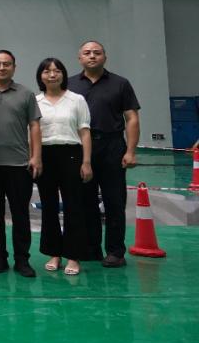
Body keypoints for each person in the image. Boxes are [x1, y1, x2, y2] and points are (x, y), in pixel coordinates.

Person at [67, 40, 140, 267]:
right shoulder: (69, 84)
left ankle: (116, 252)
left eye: (97, 53)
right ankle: (91, 249)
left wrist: (131, 151)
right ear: (80, 58)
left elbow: (132, 118)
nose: (92, 56)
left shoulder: (120, 84)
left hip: (112, 147)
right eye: (87, 53)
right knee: (85, 201)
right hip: (80, 149)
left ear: (104, 57)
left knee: (114, 201)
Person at [0, 50, 42, 278]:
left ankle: (22, 259)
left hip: (19, 164)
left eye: (6, 64)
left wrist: (36, 156)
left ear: (14, 67)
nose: (1, 68)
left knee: (20, 213)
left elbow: (34, 126)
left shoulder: (26, 94)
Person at [35, 57, 93, 276]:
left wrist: (86, 162)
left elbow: (84, 132)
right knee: (49, 206)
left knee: (74, 206)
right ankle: (54, 253)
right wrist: (35, 158)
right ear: (40, 76)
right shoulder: (35, 101)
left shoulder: (76, 100)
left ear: (63, 74)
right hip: (45, 155)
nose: (52, 75)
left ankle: (73, 255)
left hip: (71, 155)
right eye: (47, 71)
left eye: (57, 70)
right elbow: (32, 133)